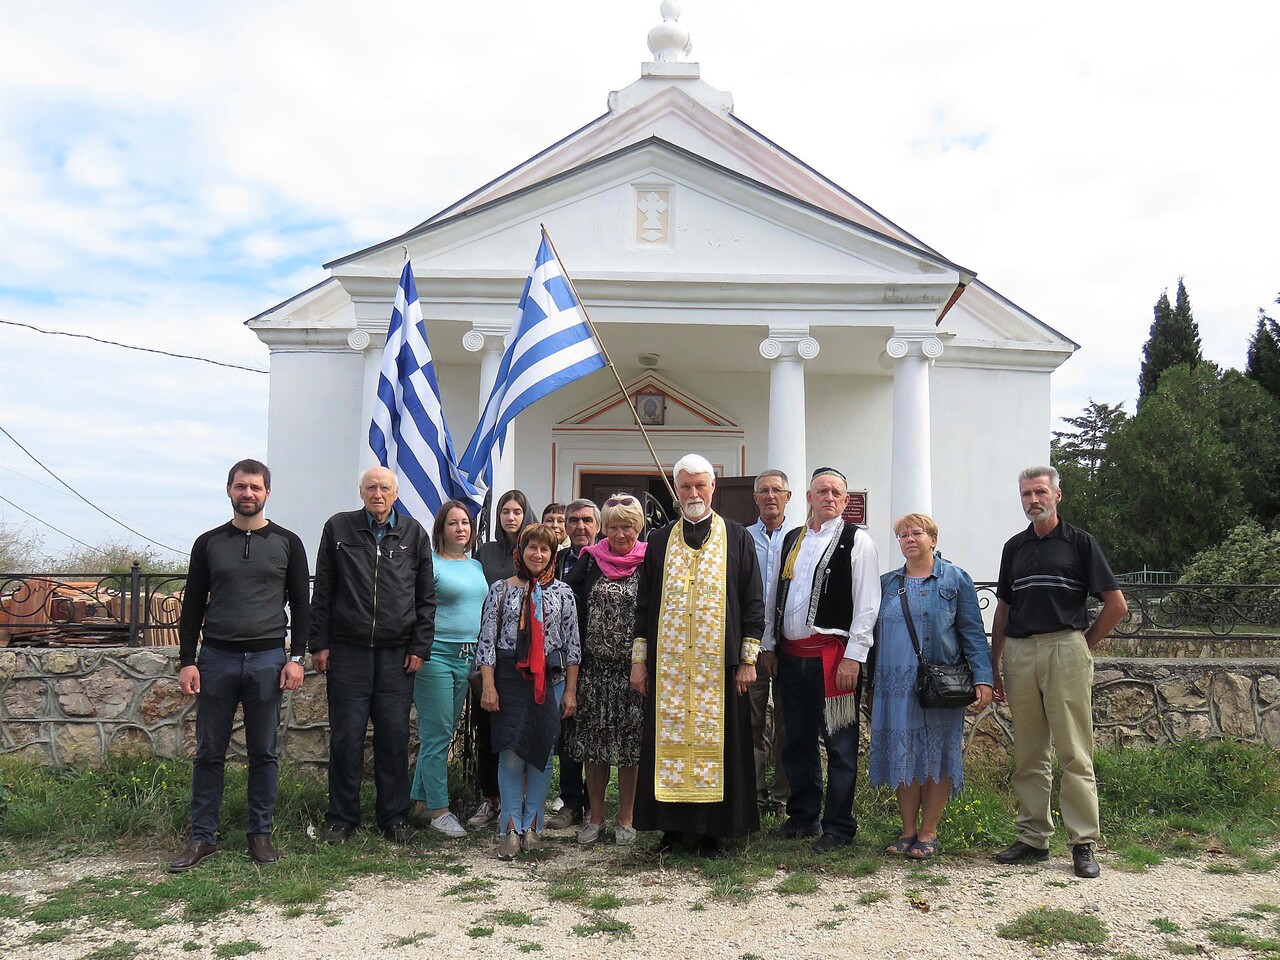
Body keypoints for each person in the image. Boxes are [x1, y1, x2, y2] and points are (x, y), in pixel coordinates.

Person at [170, 460, 311, 872]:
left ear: (268, 492)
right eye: (240, 486)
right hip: (216, 658)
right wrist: (186, 661)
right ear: (228, 490)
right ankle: (202, 837)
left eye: (255, 487)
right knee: (209, 752)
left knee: (263, 752)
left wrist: (296, 657)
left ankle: (260, 834)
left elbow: (302, 604)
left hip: (269, 659)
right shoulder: (208, 543)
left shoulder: (288, 542)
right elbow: (192, 606)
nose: (247, 493)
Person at [991, 466, 1127, 879]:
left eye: (1040, 492)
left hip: (1065, 648)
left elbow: (1116, 605)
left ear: (1057, 496)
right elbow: (1004, 608)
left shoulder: (1081, 543)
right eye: (1026, 494)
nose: (1033, 500)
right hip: (1019, 653)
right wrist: (993, 661)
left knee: (1074, 752)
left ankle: (1083, 843)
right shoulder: (1014, 547)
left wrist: (1081, 646)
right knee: (1029, 754)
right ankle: (1033, 837)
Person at [631, 454, 764, 855]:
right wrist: (639, 661)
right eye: (685, 485)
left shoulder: (737, 537)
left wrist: (748, 660)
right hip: (670, 670)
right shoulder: (658, 540)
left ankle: (715, 834)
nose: (693, 493)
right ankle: (673, 832)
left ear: (713, 488)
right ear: (676, 489)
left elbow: (753, 602)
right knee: (669, 748)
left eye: (700, 485)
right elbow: (644, 604)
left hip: (717, 670)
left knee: (720, 748)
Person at [310, 466, 436, 845]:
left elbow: (425, 597)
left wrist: (419, 646)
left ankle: (393, 818)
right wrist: (320, 643)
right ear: (361, 492)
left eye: (384, 488)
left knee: (394, 738)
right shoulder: (339, 528)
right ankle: (341, 819)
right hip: (348, 652)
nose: (377, 494)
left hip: (398, 655)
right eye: (370, 488)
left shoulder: (414, 533)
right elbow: (324, 590)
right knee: (347, 737)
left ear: (395, 493)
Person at [761, 467, 880, 854]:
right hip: (792, 659)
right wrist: (769, 645)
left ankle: (839, 826)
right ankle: (803, 816)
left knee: (841, 745)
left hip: (834, 660)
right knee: (796, 742)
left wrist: (854, 657)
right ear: (808, 497)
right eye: (822, 491)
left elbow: (867, 605)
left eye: (837, 493)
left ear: (846, 501)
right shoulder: (792, 539)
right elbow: (773, 596)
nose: (829, 497)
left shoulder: (857, 542)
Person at [867, 513, 993, 860]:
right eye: (903, 535)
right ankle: (908, 830)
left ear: (933, 539)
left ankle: (929, 832)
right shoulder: (887, 584)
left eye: (917, 533)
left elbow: (971, 632)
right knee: (903, 754)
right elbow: (872, 637)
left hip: (939, 684)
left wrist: (983, 677)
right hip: (893, 685)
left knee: (936, 755)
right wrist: (870, 682)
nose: (909, 539)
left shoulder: (955, 579)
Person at [476, 523, 581, 859]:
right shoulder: (500, 590)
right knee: (509, 754)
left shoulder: (564, 593)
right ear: (519, 552)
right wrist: (488, 686)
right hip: (508, 678)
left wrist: (570, 692)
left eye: (545, 549)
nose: (538, 554)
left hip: (551, 680)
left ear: (552, 555)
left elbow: (573, 646)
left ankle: (533, 826)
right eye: (531, 547)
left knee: (541, 755)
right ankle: (509, 828)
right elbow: (487, 643)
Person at [564, 494, 647, 846]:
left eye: (626, 526)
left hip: (634, 671)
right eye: (613, 527)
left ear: (638, 528)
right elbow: (569, 603)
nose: (619, 534)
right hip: (594, 669)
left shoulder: (649, 561)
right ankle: (595, 818)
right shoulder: (589, 560)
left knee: (631, 747)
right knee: (594, 746)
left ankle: (626, 818)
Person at [409, 500, 488, 838]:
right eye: (453, 523)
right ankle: (441, 811)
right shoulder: (432, 565)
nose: (461, 528)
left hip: (467, 658)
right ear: (440, 528)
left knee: (441, 731)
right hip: (435, 656)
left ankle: (421, 802)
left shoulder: (476, 566)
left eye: (466, 523)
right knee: (437, 734)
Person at [467, 488, 529, 829]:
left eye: (517, 511)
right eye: (505, 511)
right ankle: (489, 797)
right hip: (489, 653)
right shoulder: (485, 553)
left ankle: (521, 799)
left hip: (525, 656)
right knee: (487, 727)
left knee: (521, 729)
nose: (510, 517)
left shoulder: (536, 548)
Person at [545, 497, 600, 830]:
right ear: (565, 526)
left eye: (587, 520)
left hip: (600, 657)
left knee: (594, 732)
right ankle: (571, 801)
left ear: (598, 525)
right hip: (564, 659)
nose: (580, 526)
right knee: (566, 731)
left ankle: (596, 804)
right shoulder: (555, 559)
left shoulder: (608, 560)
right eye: (574, 520)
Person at [746, 469, 794, 816]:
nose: (770, 496)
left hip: (791, 648)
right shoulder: (742, 538)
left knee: (788, 726)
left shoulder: (802, 539)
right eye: (764, 491)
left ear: (788, 497)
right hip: (751, 647)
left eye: (777, 490)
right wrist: (760, 646)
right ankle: (754, 795)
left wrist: (776, 644)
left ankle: (784, 798)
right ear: (755, 498)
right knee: (750, 723)